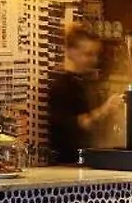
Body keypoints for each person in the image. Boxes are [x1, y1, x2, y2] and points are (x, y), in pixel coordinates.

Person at [47, 26, 121, 164]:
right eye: (88, 54)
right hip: (68, 165)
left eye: (96, 55)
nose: (94, 60)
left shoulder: (90, 84)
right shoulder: (61, 88)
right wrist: (104, 110)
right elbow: (80, 125)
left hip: (92, 161)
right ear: (71, 52)